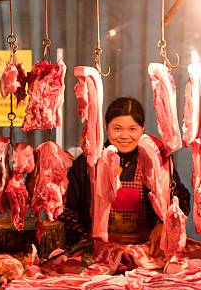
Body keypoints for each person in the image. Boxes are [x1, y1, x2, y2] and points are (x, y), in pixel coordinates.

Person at [61, 97, 190, 247]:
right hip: (96, 256)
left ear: (143, 129)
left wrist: (164, 223)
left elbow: (181, 199)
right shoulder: (88, 162)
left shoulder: (153, 161)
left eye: (132, 129)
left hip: (143, 256)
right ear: (105, 126)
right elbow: (67, 209)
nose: (124, 136)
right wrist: (83, 243)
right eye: (117, 128)